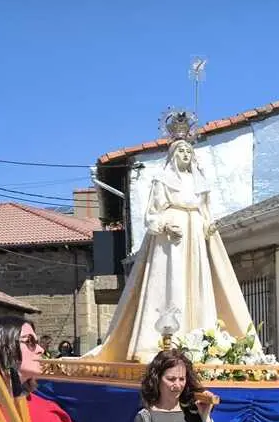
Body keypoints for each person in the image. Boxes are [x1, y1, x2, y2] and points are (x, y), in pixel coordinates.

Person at [90, 138, 257, 363]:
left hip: (195, 235)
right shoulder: (162, 179)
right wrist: (165, 225)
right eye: (181, 150)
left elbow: (206, 210)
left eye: (189, 151)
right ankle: (161, 340)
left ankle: (202, 338)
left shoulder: (200, 181)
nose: (186, 154)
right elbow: (152, 212)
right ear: (172, 155)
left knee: (198, 281)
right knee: (171, 280)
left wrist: (208, 225)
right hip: (170, 237)